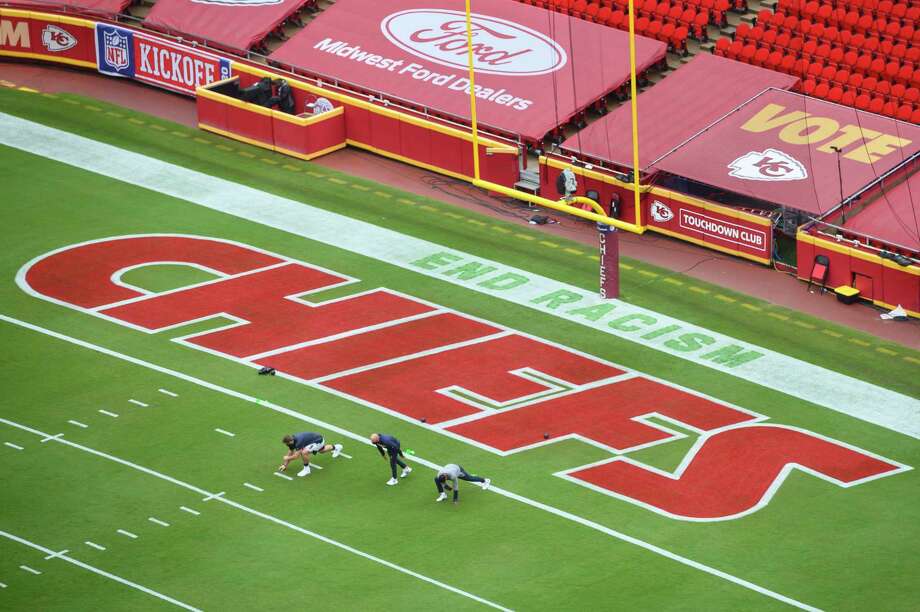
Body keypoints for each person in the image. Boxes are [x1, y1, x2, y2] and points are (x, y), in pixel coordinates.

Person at [278, 432, 343, 477]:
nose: (287, 445)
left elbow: (296, 456)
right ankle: (337, 447)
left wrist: (287, 458)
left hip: (318, 440)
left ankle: (306, 469)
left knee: (304, 453)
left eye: (287, 443)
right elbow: (290, 452)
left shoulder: (298, 442)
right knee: (322, 451)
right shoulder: (291, 441)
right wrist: (284, 465)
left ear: (291, 441)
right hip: (314, 440)